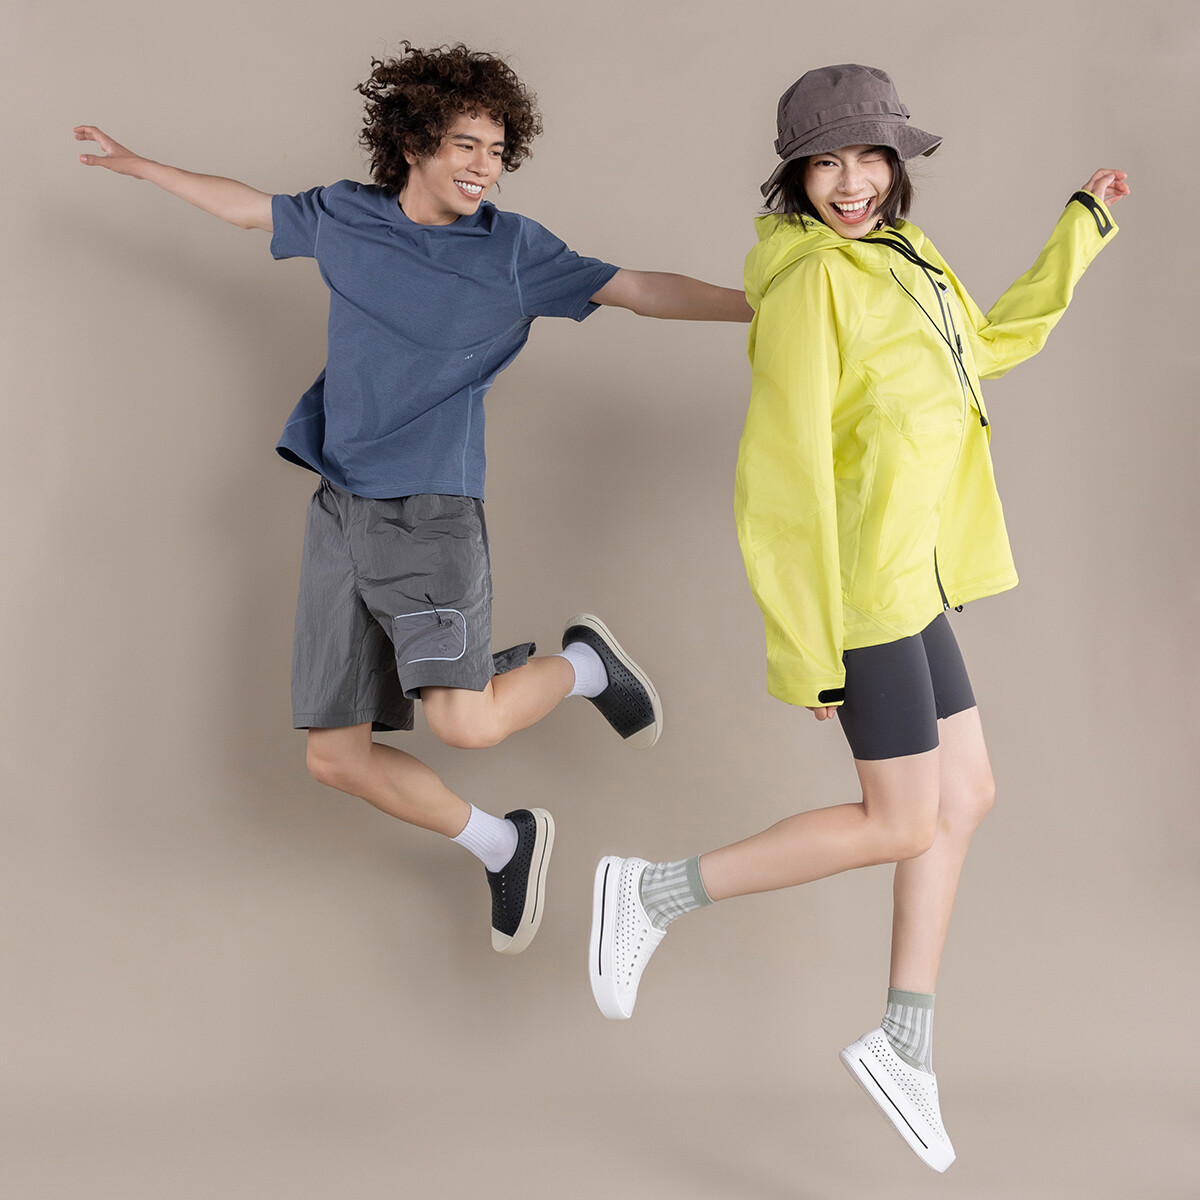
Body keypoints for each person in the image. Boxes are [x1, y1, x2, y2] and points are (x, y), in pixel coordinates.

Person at [75, 42, 751, 958]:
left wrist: (765, 302)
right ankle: (503, 843)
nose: (485, 167)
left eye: (497, 150)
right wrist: (141, 166)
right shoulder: (346, 218)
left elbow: (639, 290)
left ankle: (587, 667)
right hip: (339, 510)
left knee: (465, 724)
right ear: (413, 143)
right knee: (334, 756)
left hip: (430, 512)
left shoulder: (512, 251)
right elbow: (245, 206)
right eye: (466, 145)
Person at [587, 63, 1127, 1171]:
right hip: (861, 594)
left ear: (896, 165)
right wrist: (810, 648)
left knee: (967, 796)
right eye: (825, 163)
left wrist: (1079, 230)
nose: (850, 183)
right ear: (795, 175)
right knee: (901, 821)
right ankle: (648, 893)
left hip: (913, 576)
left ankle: (903, 1038)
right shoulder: (807, 287)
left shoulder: (905, 256)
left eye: (869, 158)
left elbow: (987, 350)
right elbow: (780, 476)